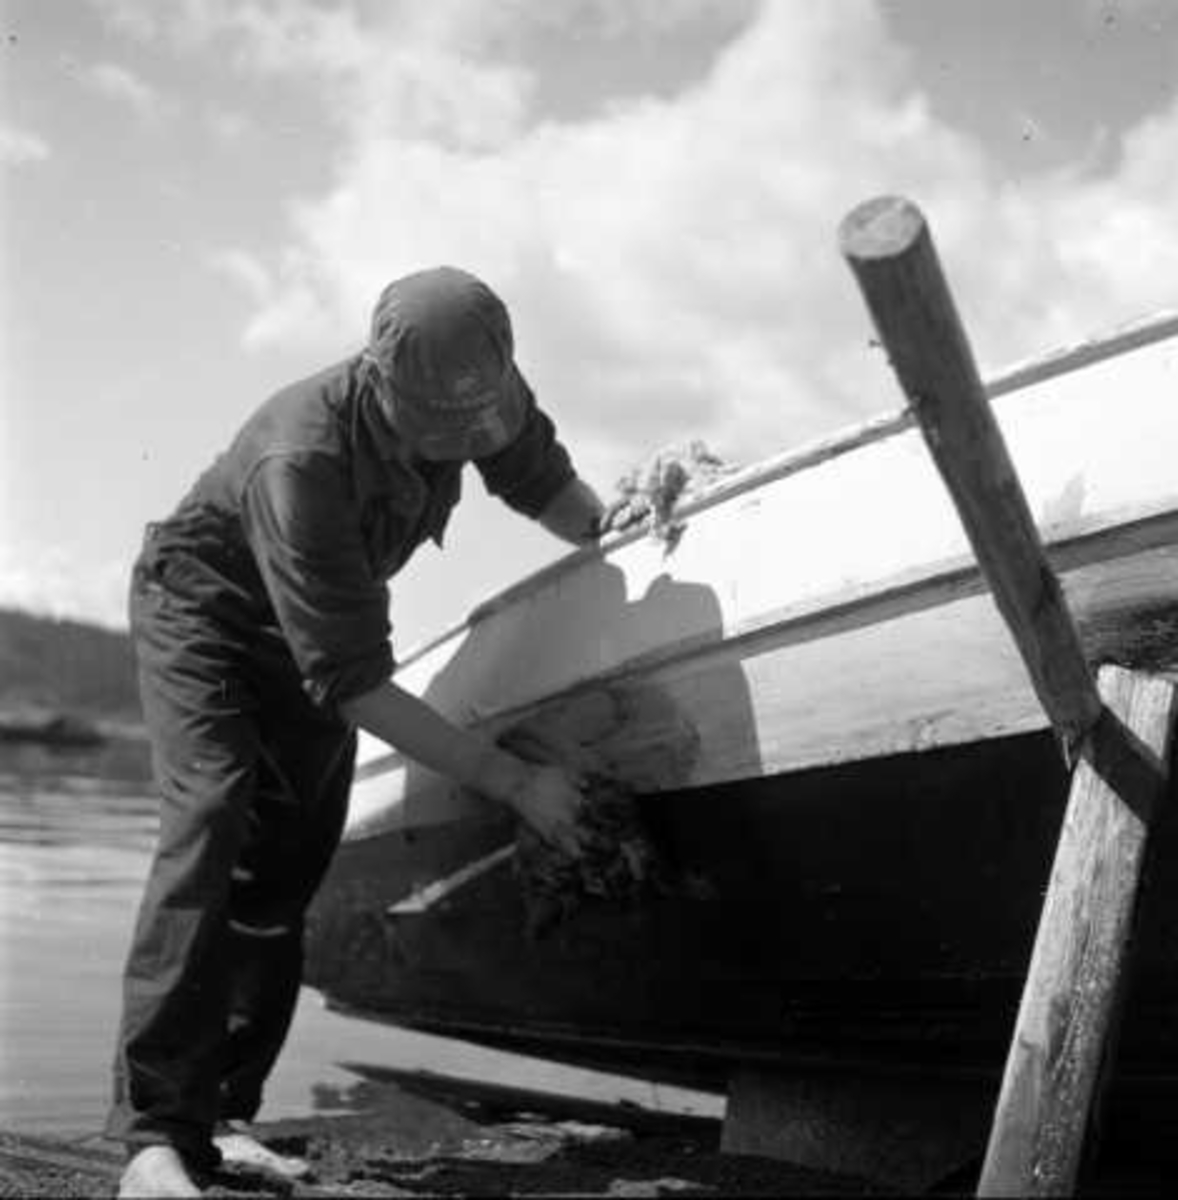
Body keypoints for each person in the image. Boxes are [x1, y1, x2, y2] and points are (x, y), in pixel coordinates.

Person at [108, 266, 608, 1197]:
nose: (458, 443)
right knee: (215, 818)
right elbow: (353, 684)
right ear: (380, 383)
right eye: (435, 429)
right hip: (207, 614)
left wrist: (626, 523)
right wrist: (514, 783)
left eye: (475, 422)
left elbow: (541, 482)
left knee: (292, 859)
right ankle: (152, 1141)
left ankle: (222, 1116)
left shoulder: (480, 390)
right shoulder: (301, 458)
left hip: (318, 636)